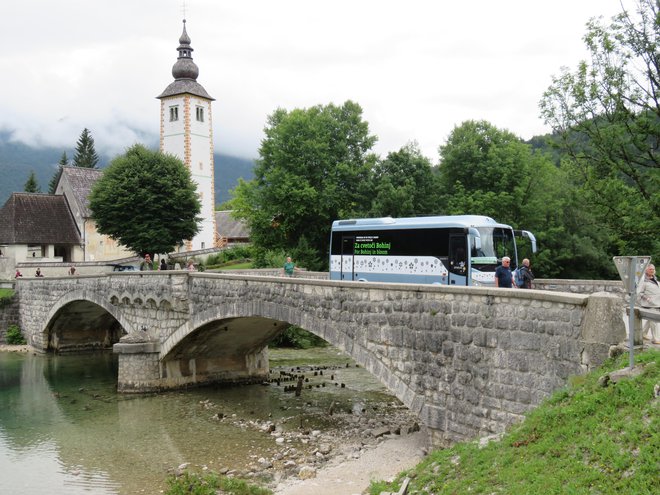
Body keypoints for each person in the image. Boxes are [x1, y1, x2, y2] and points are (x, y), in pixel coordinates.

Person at [637, 263, 660, 344]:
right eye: (650, 269)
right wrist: (647, 298)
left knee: (650, 320)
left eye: (653, 269)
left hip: (657, 303)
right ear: (646, 270)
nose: (652, 271)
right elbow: (639, 293)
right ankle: (656, 339)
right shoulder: (643, 281)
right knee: (654, 321)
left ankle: (643, 333)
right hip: (649, 304)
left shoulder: (655, 279)